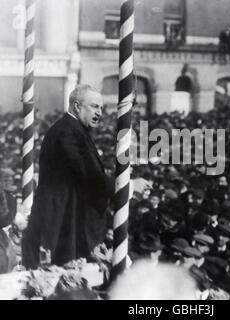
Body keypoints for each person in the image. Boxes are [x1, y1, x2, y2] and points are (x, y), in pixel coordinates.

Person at [22, 85, 149, 269]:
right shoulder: (67, 132)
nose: (99, 113)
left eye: (101, 108)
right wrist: (126, 186)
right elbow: (87, 175)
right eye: (94, 106)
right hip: (61, 224)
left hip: (69, 221)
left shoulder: (75, 130)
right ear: (77, 106)